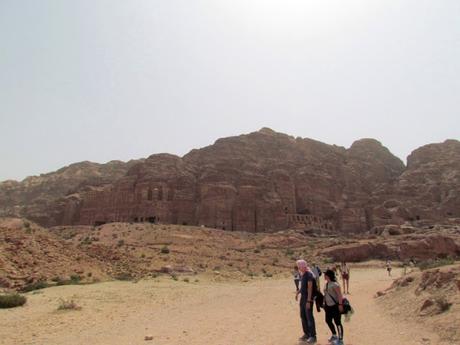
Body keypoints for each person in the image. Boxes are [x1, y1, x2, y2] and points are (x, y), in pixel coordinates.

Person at [295, 259, 317, 343]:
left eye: (299, 266)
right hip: (303, 298)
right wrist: (298, 292)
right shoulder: (303, 274)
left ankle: (313, 336)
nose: (298, 268)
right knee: (303, 316)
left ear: (303, 266)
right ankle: (306, 333)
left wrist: (308, 301)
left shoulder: (309, 274)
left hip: (308, 299)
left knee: (309, 317)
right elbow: (303, 287)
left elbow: (310, 288)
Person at [324, 269, 345, 345]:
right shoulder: (326, 284)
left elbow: (340, 295)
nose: (324, 276)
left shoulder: (335, 284)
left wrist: (340, 305)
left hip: (335, 306)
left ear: (328, 275)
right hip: (328, 307)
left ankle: (340, 339)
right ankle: (334, 335)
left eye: (325, 274)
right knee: (328, 320)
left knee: (338, 322)